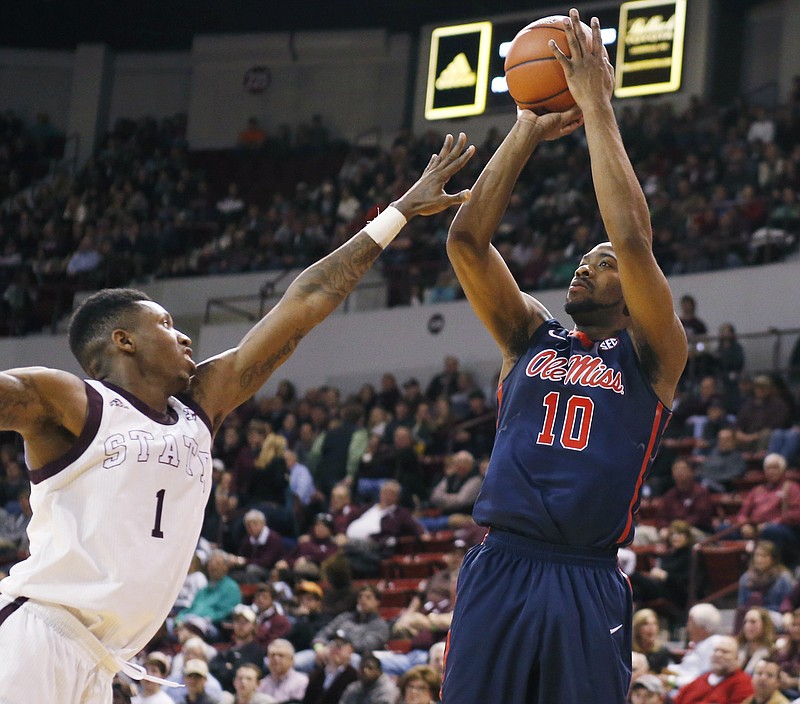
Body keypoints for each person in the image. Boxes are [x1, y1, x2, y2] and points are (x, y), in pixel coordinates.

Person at [0, 133, 475, 701]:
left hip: (103, 662)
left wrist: (398, 213)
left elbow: (304, 305)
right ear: (122, 340)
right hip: (40, 633)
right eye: (167, 323)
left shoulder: (201, 405)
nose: (184, 336)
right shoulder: (71, 399)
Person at [439, 10, 688, 704]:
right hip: (501, 562)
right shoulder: (530, 336)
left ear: (636, 294)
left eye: (600, 265)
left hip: (585, 573)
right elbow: (466, 243)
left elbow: (633, 240)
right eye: (581, 261)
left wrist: (597, 108)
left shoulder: (653, 353)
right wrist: (525, 128)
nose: (585, 268)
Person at [673, 635, 754, 703]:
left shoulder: (743, 683)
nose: (718, 655)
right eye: (716, 650)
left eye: (725, 652)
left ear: (736, 658)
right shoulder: (701, 679)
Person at [737, 541, 796, 631]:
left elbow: (788, 602)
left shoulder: (783, 577)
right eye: (757, 555)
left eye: (764, 556)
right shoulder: (746, 578)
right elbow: (742, 604)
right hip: (751, 613)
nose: (760, 559)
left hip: (775, 615)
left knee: (759, 619)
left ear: (773, 558)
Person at [209, 604, 266, 693]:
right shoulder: (227, 648)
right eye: (237, 621)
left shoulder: (257, 650)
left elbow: (244, 674)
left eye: (245, 622)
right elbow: (212, 667)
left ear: (254, 626)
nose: (240, 625)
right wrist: (228, 668)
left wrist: (228, 669)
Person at [302, 630, 358, 704]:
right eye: (333, 643)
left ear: (351, 650)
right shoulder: (316, 674)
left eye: (340, 645)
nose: (335, 648)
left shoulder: (355, 677)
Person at [257, 638, 309, 703]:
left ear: (291, 660)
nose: (276, 658)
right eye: (272, 655)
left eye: (281, 655)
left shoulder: (301, 682)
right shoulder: (262, 684)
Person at [632, 608, 677, 675]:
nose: (651, 628)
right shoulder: (628, 649)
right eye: (646, 624)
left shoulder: (662, 652)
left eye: (654, 624)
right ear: (637, 628)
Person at [737, 608, 778, 676]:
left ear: (765, 625)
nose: (747, 626)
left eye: (753, 622)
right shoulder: (738, 648)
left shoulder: (773, 651)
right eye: (745, 622)